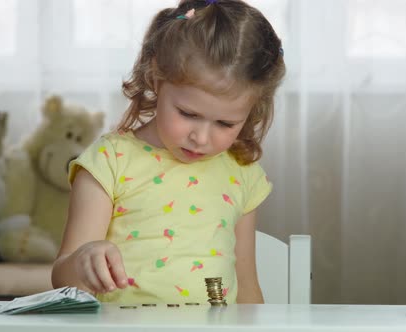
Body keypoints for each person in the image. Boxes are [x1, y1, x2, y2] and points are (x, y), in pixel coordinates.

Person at [52, 0, 285, 305]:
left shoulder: (242, 173)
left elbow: (247, 289)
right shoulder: (109, 161)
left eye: (226, 123)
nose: (200, 137)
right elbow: (61, 277)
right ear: (156, 78)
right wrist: (82, 261)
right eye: (188, 113)